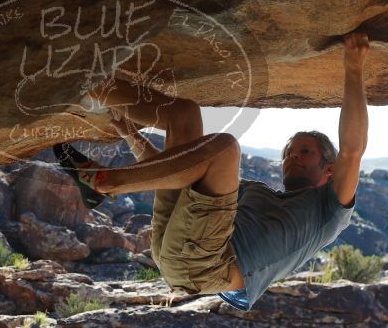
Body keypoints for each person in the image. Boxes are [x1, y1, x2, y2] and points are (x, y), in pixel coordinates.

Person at [54, 33, 369, 311]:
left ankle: (103, 183)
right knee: (184, 113)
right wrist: (130, 134)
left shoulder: (326, 212)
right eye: (288, 152)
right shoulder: (254, 193)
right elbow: (174, 171)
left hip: (210, 265)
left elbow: (352, 150)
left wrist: (353, 68)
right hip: (175, 244)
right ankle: (79, 81)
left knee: (224, 148)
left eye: (304, 152)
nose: (292, 157)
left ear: (328, 169)